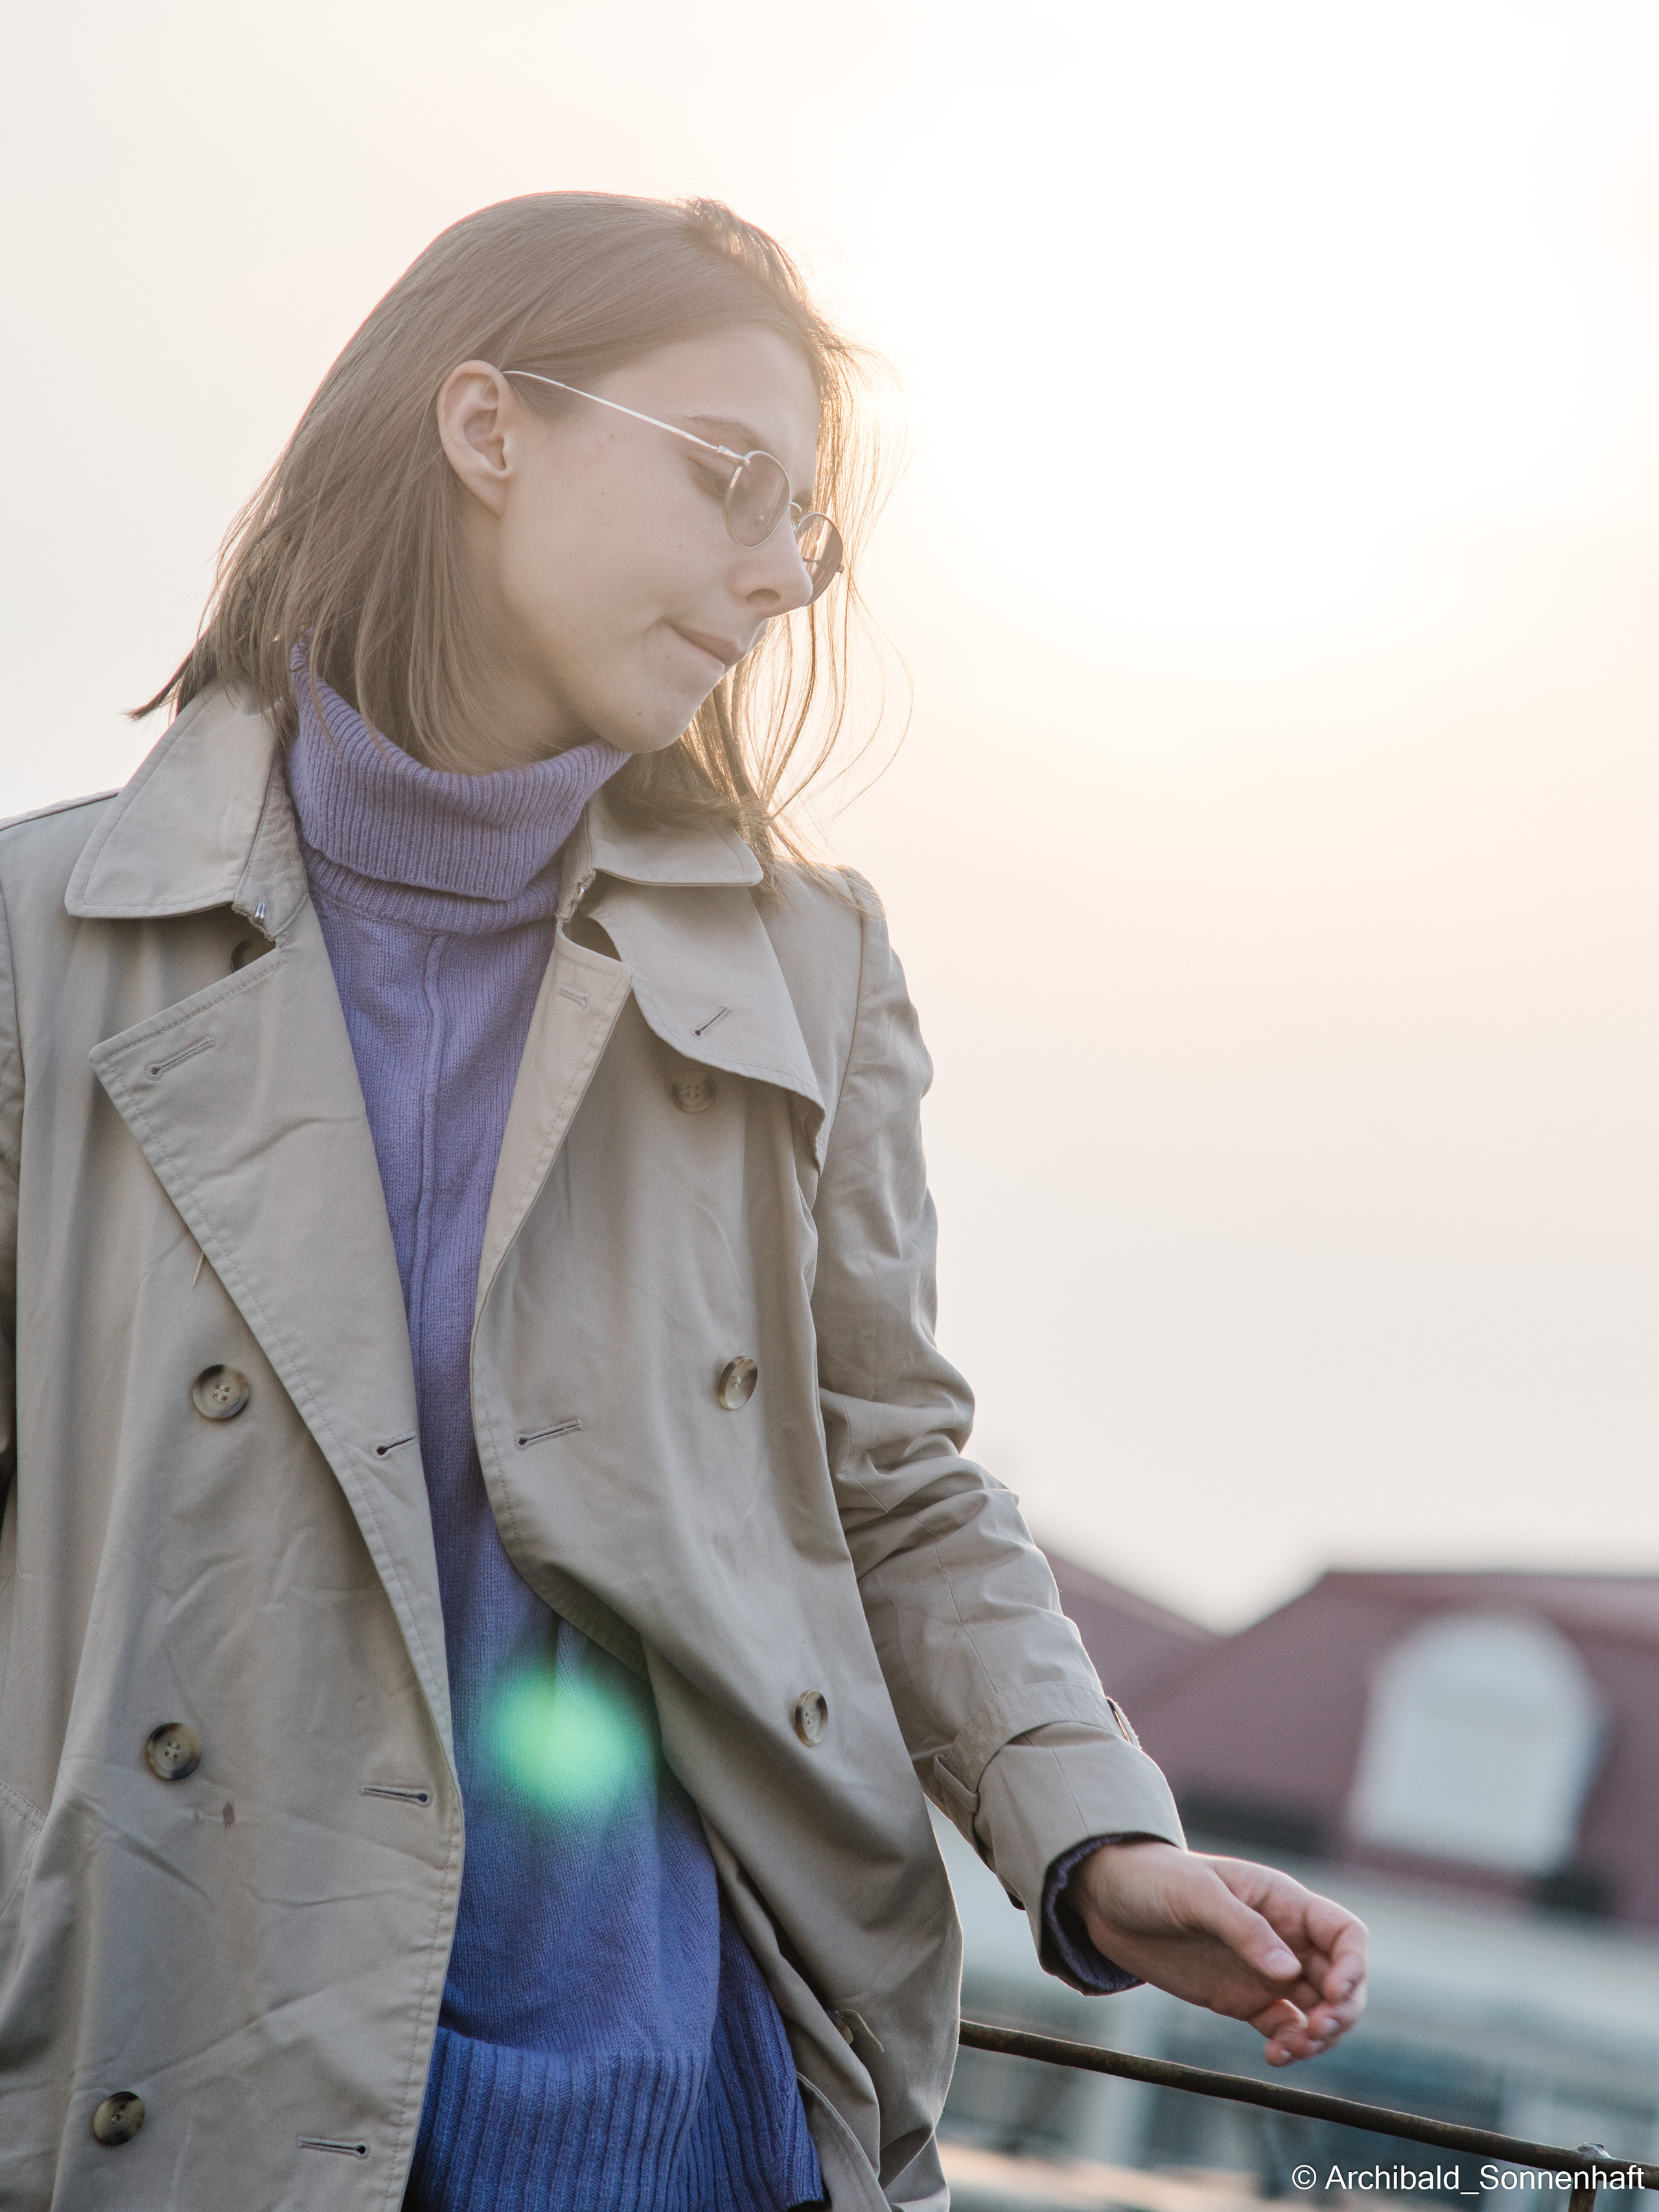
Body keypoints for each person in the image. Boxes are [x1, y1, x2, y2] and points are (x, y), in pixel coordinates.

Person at [0, 192, 1365, 2211]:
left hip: (692, 2110)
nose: (785, 572)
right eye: (734, 479)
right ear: (487, 428)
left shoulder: (808, 966)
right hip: (189, 2071)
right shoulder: (51, 942)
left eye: (806, 525)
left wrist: (1096, 1839)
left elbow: (892, 1480)